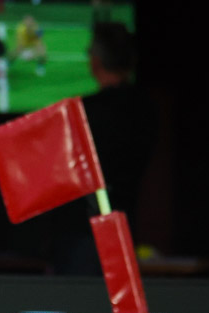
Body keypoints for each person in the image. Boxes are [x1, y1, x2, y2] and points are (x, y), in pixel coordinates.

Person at [43, 21, 156, 275]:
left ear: (95, 62)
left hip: (81, 238)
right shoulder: (147, 112)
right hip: (122, 230)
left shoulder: (83, 114)